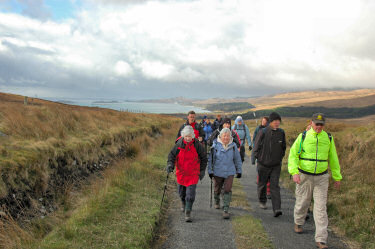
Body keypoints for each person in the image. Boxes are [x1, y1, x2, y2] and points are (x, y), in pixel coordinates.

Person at [288, 113, 342, 249]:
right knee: (302, 202)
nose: (319, 126)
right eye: (317, 124)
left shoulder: (328, 138)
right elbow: (293, 155)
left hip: (321, 178)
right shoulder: (303, 136)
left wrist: (337, 176)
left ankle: (321, 239)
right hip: (304, 175)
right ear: (311, 123)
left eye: (321, 124)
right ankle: (298, 222)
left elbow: (333, 158)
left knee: (320, 208)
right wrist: (294, 172)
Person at [167, 126, 207, 222]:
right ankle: (183, 203)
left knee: (190, 194)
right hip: (181, 173)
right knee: (181, 193)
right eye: (186, 136)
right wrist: (170, 165)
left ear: (193, 136)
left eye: (189, 136)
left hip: (193, 173)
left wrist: (201, 171)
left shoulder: (197, 145)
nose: (188, 138)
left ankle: (188, 212)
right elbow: (171, 156)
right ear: (183, 136)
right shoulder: (178, 144)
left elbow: (204, 158)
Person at [253, 112, 286, 217]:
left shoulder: (281, 132)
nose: (277, 123)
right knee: (262, 184)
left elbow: (283, 148)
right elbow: (256, 147)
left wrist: (279, 158)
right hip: (263, 164)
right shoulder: (263, 132)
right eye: (274, 121)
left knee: (274, 186)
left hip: (276, 165)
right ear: (270, 122)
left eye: (278, 121)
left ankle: (277, 208)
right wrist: (259, 158)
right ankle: (262, 201)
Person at [208, 128, 242, 219]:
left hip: (229, 172)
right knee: (217, 188)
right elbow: (210, 160)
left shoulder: (233, 146)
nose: (226, 137)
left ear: (230, 136)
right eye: (224, 136)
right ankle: (217, 200)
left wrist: (239, 171)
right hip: (217, 171)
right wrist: (210, 171)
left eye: (228, 136)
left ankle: (226, 209)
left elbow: (237, 160)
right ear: (220, 136)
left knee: (227, 189)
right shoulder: (215, 146)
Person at [251, 116, 271, 199]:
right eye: (262, 121)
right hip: (260, 153)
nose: (263, 122)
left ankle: (268, 191)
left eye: (265, 121)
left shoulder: (270, 130)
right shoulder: (258, 128)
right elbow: (254, 139)